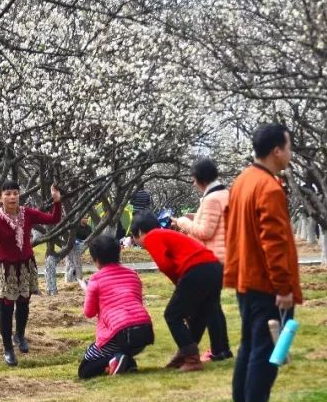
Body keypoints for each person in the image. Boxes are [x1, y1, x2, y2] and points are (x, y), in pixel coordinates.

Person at [223, 122, 302, 402]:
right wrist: (283, 287)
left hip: (246, 277)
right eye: (289, 147)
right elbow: (275, 242)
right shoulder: (269, 187)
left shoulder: (242, 180)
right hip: (266, 282)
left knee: (249, 344)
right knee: (266, 348)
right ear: (276, 151)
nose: (290, 154)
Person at [0, 181, 61, 366]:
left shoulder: (28, 213)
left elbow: (53, 219)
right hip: (6, 268)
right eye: (8, 193)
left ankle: (19, 336)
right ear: (0, 197)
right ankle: (8, 348)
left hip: (26, 265)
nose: (12, 197)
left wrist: (57, 201)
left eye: (15, 193)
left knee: (24, 304)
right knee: (6, 308)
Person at [129, 211, 226, 372]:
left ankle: (192, 359)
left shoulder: (152, 236)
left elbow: (165, 265)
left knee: (172, 315)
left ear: (139, 232)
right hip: (214, 268)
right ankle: (184, 355)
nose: (137, 242)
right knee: (198, 316)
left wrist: (180, 286)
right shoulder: (166, 233)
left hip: (196, 269)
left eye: (134, 237)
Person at [172, 157, 232, 362]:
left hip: (214, 257)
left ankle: (219, 350)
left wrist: (182, 223)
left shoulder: (211, 199)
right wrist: (194, 217)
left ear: (200, 179)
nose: (192, 183)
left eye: (193, 178)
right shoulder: (225, 194)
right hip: (225, 254)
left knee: (210, 305)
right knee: (212, 305)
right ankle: (221, 349)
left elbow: (205, 232)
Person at [78, 234, 155, 378]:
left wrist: (88, 291)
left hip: (121, 333)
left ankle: (118, 360)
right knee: (117, 349)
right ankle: (127, 362)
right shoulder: (132, 274)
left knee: (85, 369)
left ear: (96, 260)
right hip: (144, 331)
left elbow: (89, 312)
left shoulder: (95, 280)